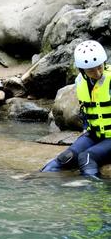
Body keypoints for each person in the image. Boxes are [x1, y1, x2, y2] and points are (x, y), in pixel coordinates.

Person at [42, 40, 111, 178]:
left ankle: (94, 195)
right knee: (65, 157)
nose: (97, 73)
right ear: (82, 70)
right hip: (94, 135)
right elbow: (86, 109)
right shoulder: (81, 82)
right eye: (91, 70)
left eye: (99, 67)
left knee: (86, 158)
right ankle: (34, 182)